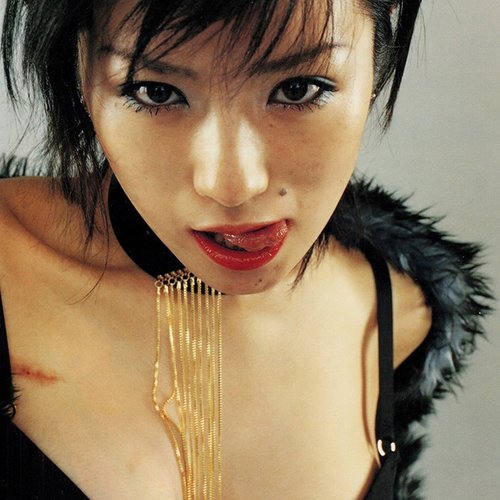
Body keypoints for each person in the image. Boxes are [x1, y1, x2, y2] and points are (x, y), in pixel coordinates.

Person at [0, 0, 492, 499]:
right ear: (81, 66)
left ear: (378, 54)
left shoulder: (396, 313)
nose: (232, 185)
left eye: (298, 89)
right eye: (156, 92)